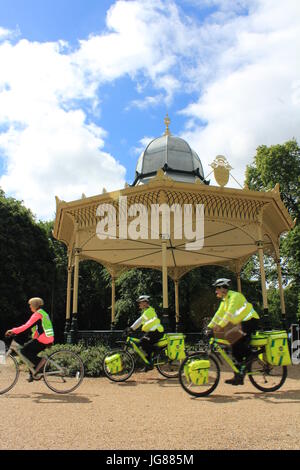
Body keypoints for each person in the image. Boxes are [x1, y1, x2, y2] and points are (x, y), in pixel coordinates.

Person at [208, 278, 260, 385]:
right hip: (242, 323)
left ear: (223, 288)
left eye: (217, 288)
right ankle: (239, 376)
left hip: (250, 320)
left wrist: (219, 326)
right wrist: (209, 327)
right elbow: (218, 315)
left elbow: (229, 314)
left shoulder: (235, 296)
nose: (215, 291)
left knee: (233, 339)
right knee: (234, 348)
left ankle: (250, 355)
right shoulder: (225, 300)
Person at [5, 297, 54, 382]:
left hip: (44, 338)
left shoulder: (37, 314)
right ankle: (33, 373)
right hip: (46, 338)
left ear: (35, 305)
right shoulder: (42, 313)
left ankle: (43, 361)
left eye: (30, 305)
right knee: (28, 351)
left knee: (24, 351)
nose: (30, 306)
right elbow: (36, 329)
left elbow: (26, 326)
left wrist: (13, 330)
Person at [128, 295, 164, 369]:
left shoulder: (148, 311)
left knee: (142, 342)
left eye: (140, 302)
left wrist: (131, 328)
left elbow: (140, 321)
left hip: (156, 331)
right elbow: (142, 322)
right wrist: (132, 328)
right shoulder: (147, 311)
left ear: (145, 303)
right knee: (144, 345)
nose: (139, 304)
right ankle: (149, 364)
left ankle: (156, 351)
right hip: (153, 331)